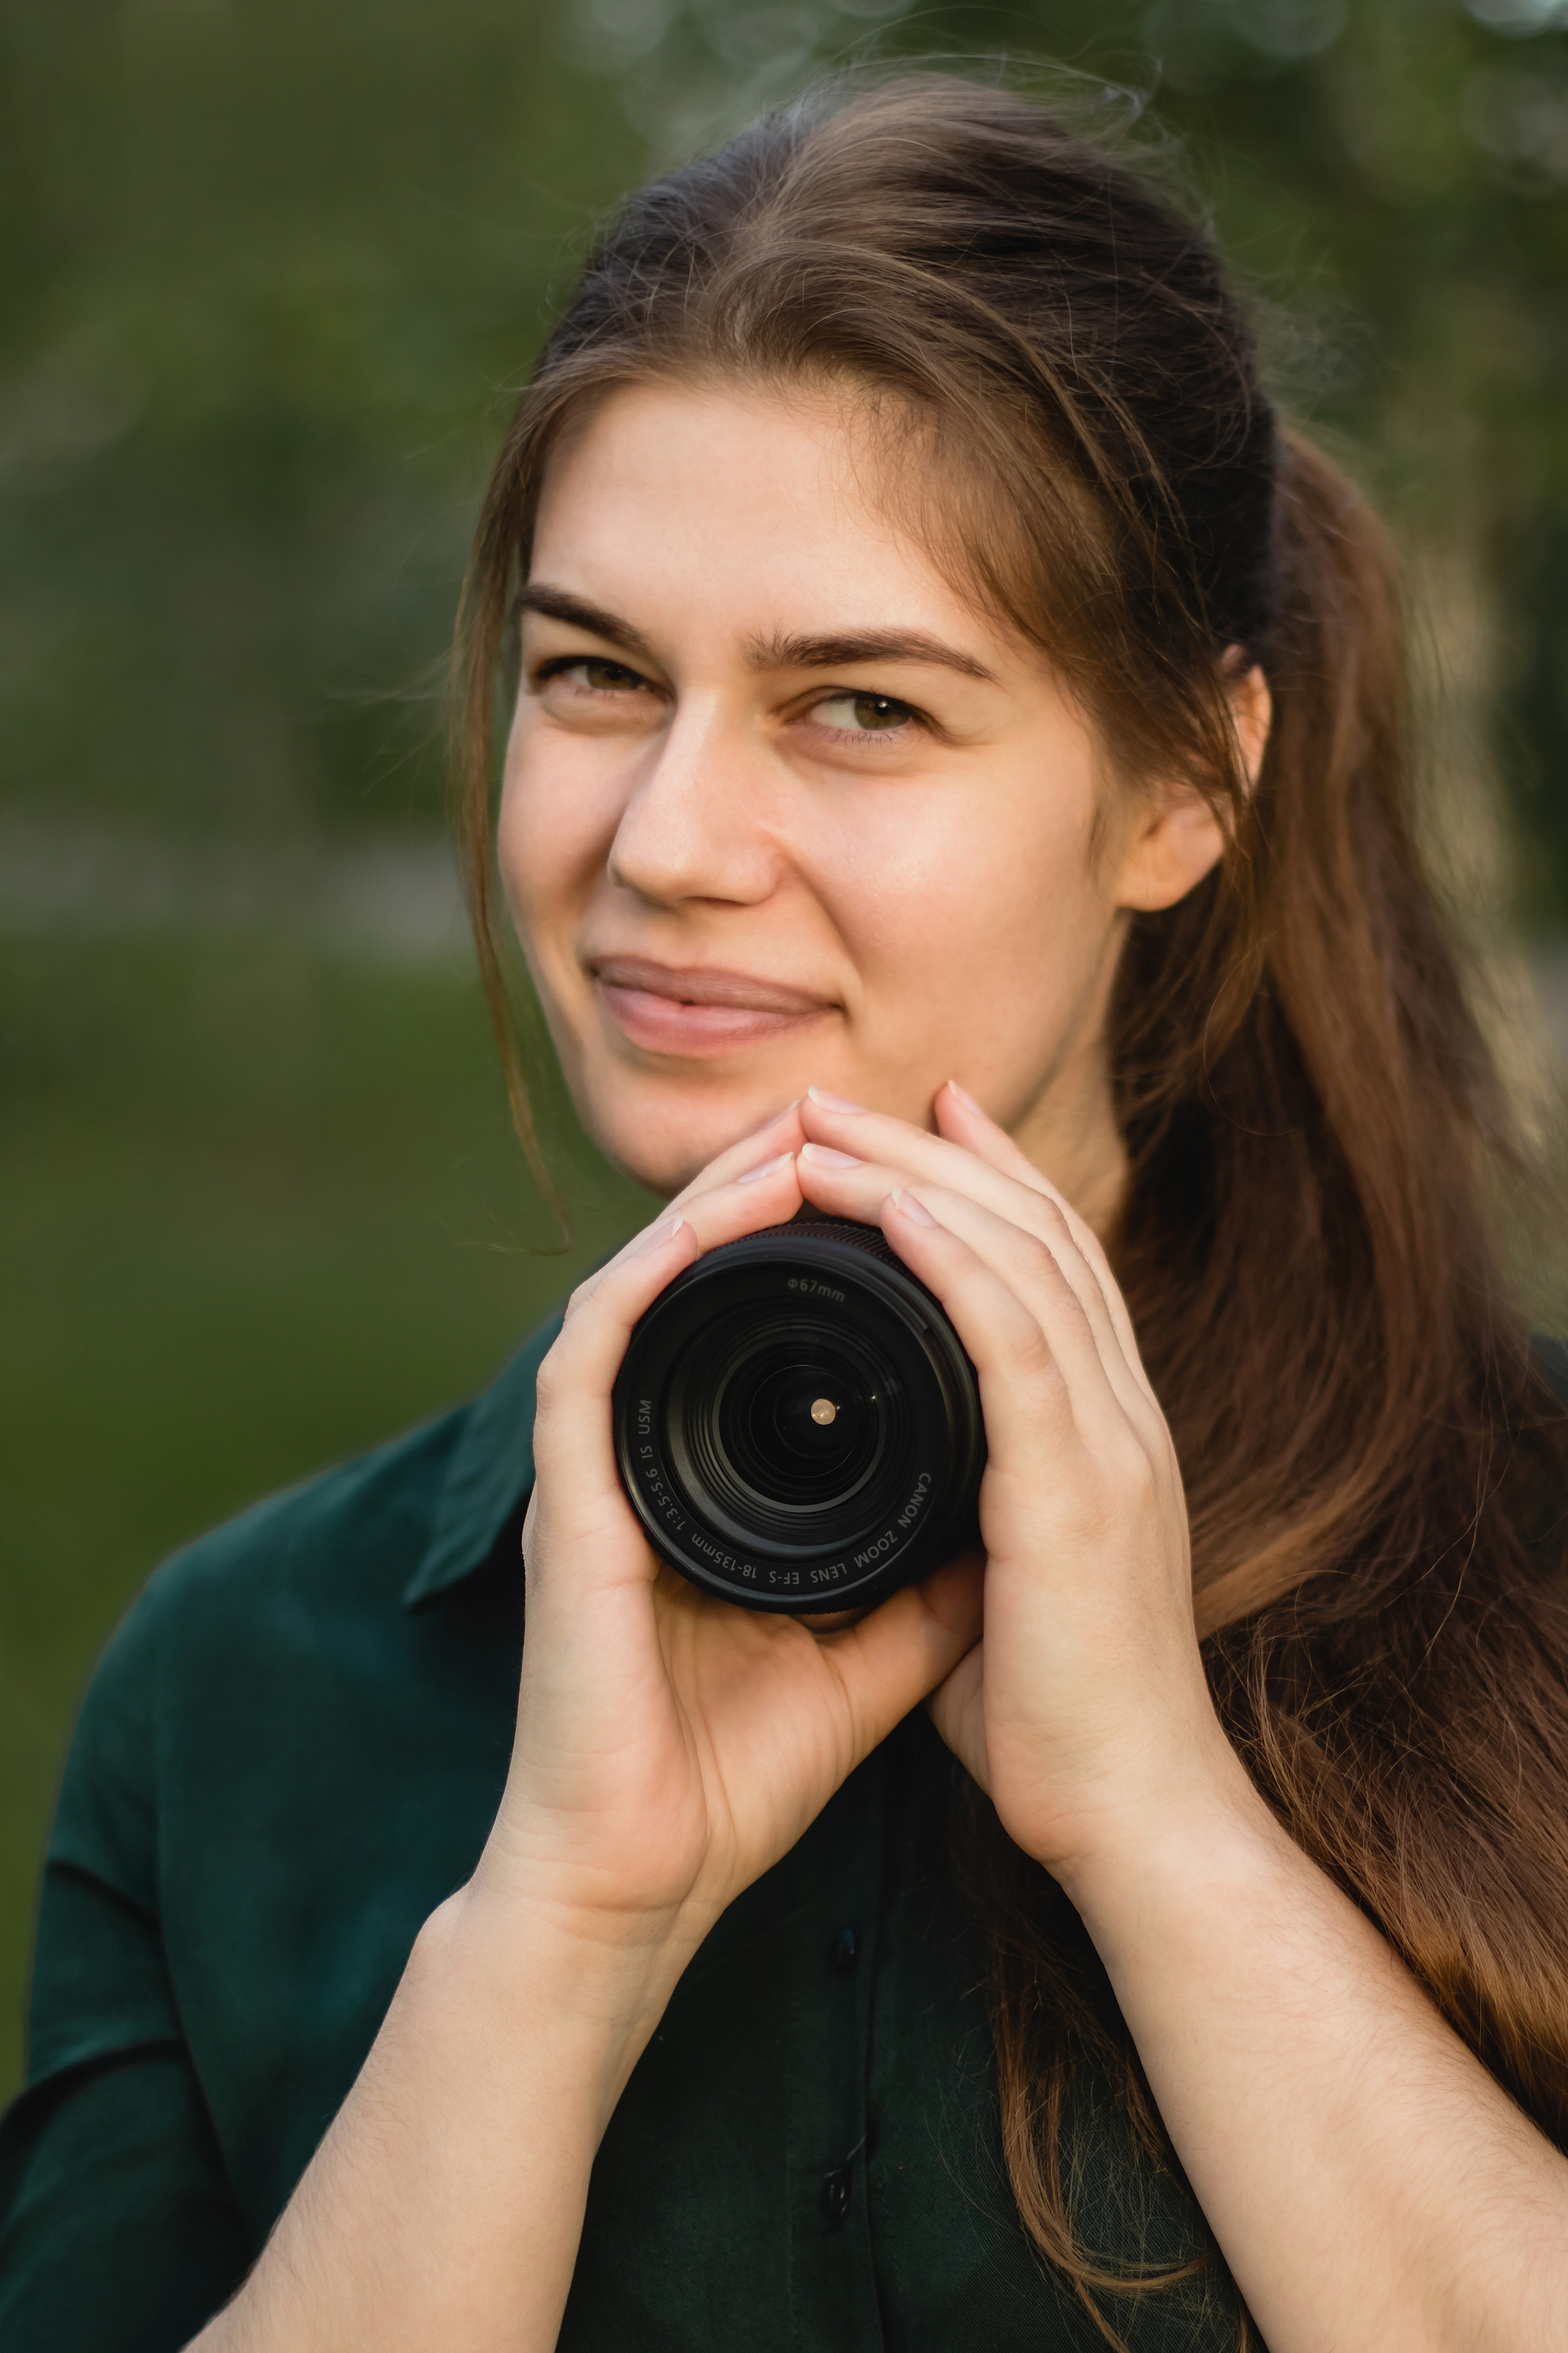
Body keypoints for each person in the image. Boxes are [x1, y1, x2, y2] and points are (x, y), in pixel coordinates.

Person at [4, 68, 1568, 2353]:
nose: (665, 839)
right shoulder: (242, 1693)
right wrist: (555, 1936)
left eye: (857, 706)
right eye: (594, 678)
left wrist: (1163, 1828)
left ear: (1182, 786)